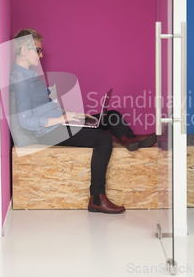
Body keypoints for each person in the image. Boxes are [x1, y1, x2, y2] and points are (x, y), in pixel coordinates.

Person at [10, 28, 157, 214]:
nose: (41, 54)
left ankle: (129, 140)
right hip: (49, 132)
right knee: (102, 139)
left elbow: (44, 104)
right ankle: (97, 198)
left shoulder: (29, 74)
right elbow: (26, 121)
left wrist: (72, 115)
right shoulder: (20, 81)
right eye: (37, 50)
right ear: (24, 51)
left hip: (59, 122)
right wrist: (62, 119)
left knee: (111, 115)